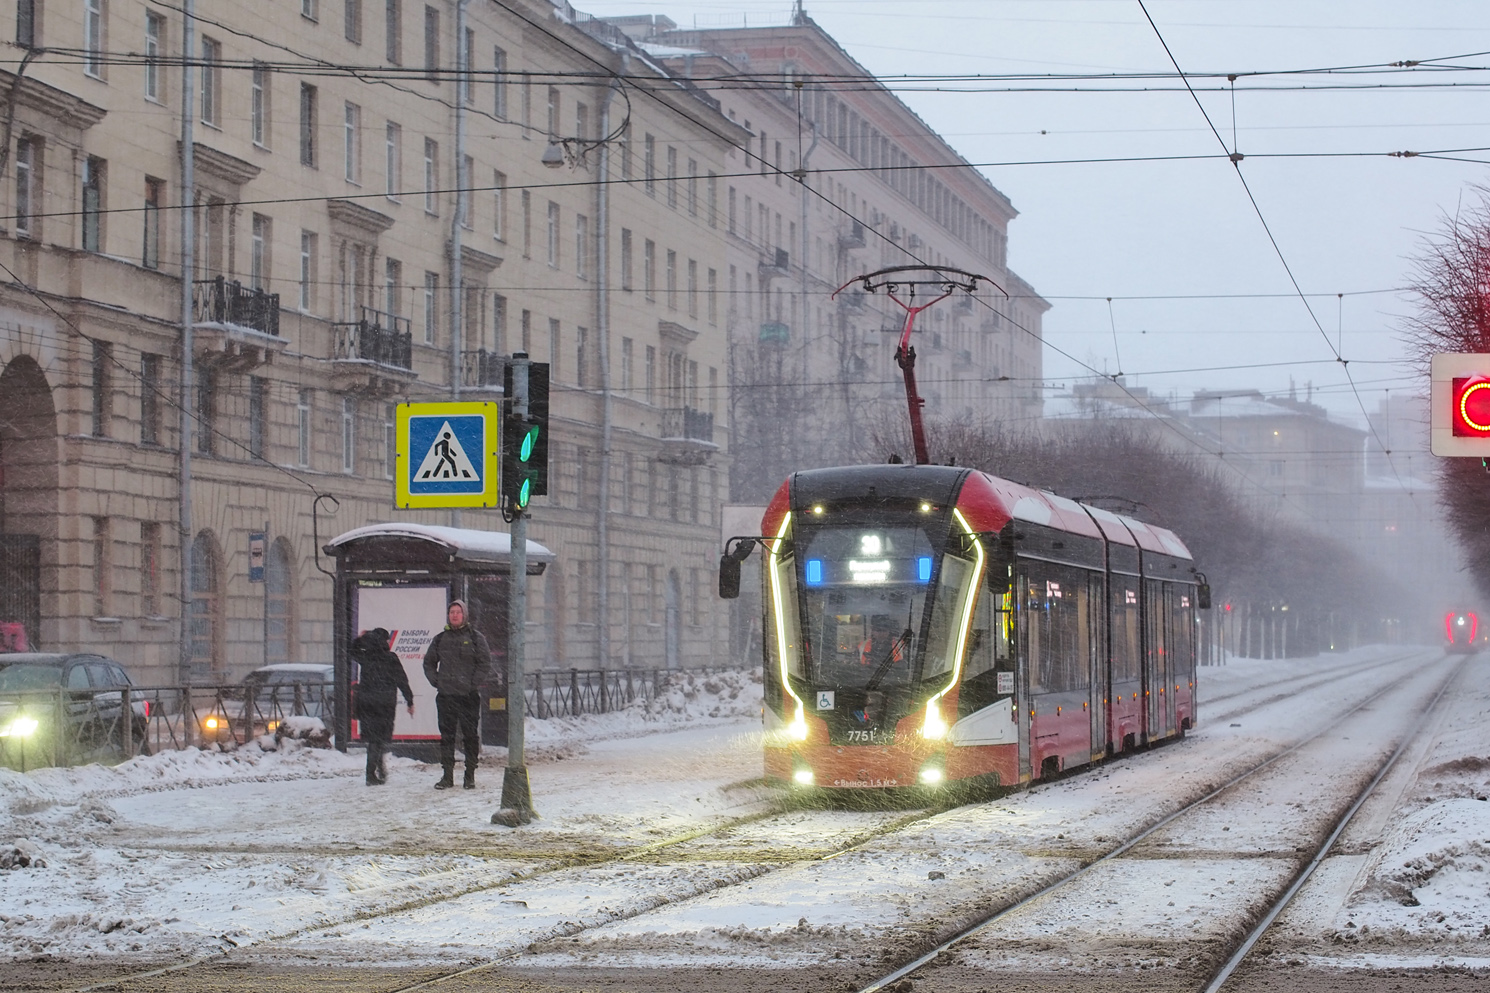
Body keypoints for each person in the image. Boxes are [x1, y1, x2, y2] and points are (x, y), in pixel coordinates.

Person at [422, 599, 491, 790]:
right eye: (451, 612)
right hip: (446, 696)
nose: (454, 615)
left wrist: (472, 683)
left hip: (468, 696)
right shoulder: (440, 639)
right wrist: (436, 681)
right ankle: (447, 776)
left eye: (458, 612)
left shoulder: (476, 638)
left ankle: (469, 776)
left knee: (470, 736)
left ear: (464, 615)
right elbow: (428, 663)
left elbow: (485, 663)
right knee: (447, 737)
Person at [351, 628, 414, 786]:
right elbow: (402, 680)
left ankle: (377, 769)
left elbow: (350, 650)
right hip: (384, 705)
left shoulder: (366, 656)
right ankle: (372, 773)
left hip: (367, 705)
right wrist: (409, 700)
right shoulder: (390, 658)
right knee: (378, 740)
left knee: (374, 740)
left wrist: (360, 639)